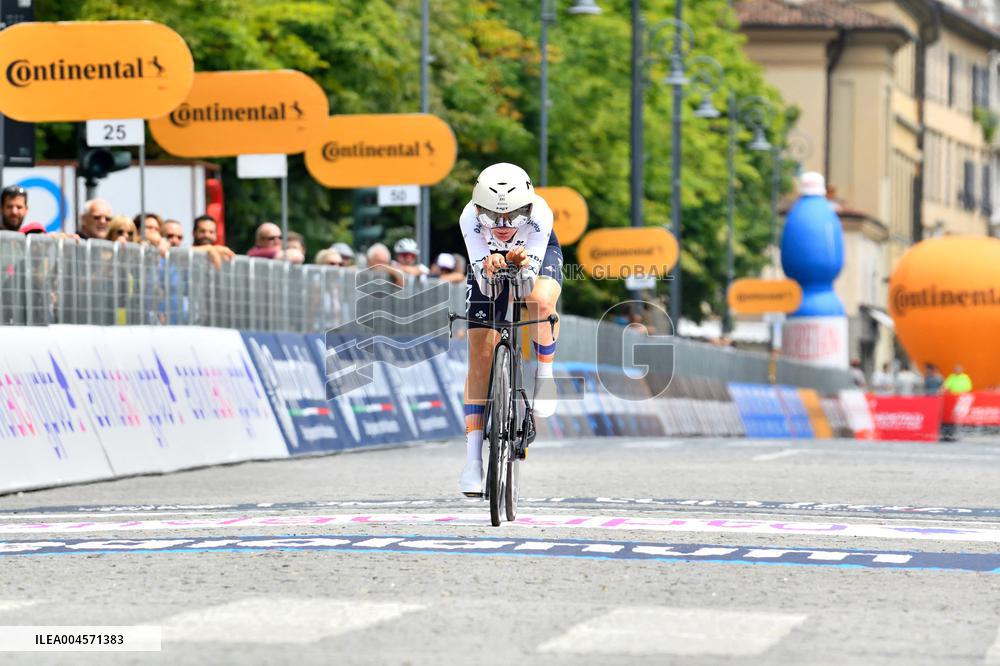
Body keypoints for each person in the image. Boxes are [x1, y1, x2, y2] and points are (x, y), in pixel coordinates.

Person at [458, 162, 563, 496]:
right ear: (478, 210)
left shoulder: (540, 215)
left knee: (540, 302)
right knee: (480, 353)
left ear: (528, 208)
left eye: (514, 215)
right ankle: (473, 460)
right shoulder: (468, 219)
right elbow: (487, 288)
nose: (503, 226)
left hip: (536, 255)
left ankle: (544, 374)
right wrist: (486, 268)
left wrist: (520, 263)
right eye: (491, 216)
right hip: (488, 263)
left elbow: (527, 282)